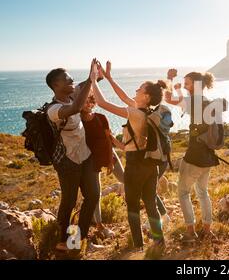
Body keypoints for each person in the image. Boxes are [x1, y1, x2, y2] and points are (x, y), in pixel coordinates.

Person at [90, 62, 166, 252]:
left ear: (146, 96)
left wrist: (93, 80)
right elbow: (123, 97)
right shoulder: (146, 112)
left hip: (135, 167)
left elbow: (102, 103)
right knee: (150, 204)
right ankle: (159, 241)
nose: (136, 89)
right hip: (150, 165)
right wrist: (108, 78)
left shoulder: (134, 113)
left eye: (140, 88)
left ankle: (139, 247)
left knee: (132, 206)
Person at [45, 59, 99, 252]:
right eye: (68, 79)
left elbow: (87, 83)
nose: (72, 81)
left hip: (86, 156)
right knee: (69, 201)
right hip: (68, 161)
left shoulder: (73, 94)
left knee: (93, 195)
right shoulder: (53, 110)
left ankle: (76, 239)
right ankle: (62, 241)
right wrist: (91, 81)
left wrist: (94, 73)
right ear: (56, 85)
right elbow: (76, 108)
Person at [165, 69, 220, 243]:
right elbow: (183, 103)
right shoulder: (207, 103)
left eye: (188, 83)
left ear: (196, 85)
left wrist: (170, 78)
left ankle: (190, 232)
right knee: (203, 193)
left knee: (182, 193)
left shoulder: (193, 102)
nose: (186, 86)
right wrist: (180, 89)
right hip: (208, 157)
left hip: (194, 157)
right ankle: (207, 229)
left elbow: (168, 99)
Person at [80, 93, 125, 239]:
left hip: (108, 153)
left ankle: (144, 207)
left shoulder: (100, 117)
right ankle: (99, 225)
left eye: (90, 101)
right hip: (91, 160)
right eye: (84, 101)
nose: (87, 104)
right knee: (96, 193)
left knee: (125, 179)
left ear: (93, 102)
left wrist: (111, 161)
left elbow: (108, 138)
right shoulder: (77, 121)